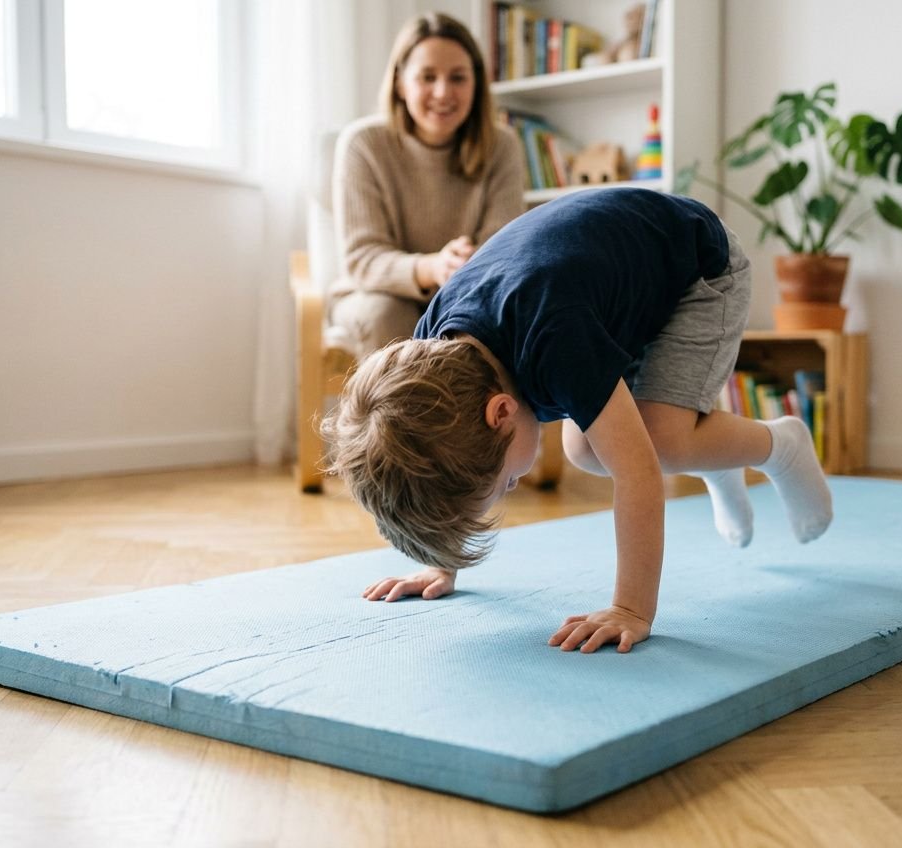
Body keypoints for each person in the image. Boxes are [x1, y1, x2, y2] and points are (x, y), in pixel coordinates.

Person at [323, 188, 833, 654]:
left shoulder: (555, 343)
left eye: (505, 483)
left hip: (695, 269)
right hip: (609, 288)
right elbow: (443, 465)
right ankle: (713, 455)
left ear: (500, 413)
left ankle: (781, 445)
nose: (510, 487)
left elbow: (638, 476)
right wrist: (441, 559)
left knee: (659, 444)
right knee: (586, 449)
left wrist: (630, 608)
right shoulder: (433, 357)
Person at [329, 12, 526, 358]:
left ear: (476, 85)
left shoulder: (503, 146)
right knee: (389, 315)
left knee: (495, 317)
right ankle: (395, 415)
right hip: (375, 294)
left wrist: (461, 269)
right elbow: (362, 259)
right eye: (427, 77)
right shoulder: (363, 144)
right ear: (401, 83)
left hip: (468, 292)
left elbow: (504, 247)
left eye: (458, 78)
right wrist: (433, 267)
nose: (442, 92)